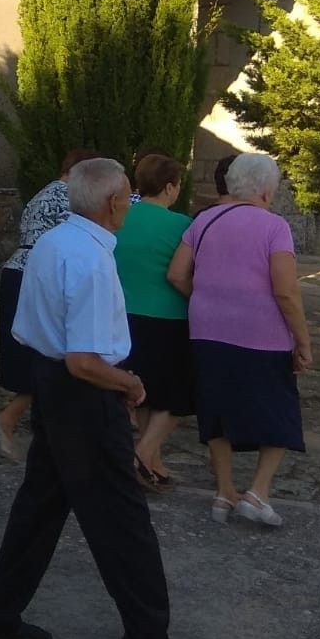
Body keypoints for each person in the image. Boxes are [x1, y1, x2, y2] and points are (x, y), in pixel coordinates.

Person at [0, 159, 210, 639]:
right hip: (82, 393)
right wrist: (129, 384)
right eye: (126, 198)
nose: (129, 205)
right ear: (113, 203)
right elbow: (84, 361)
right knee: (124, 524)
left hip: (53, 386)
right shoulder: (92, 262)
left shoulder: (55, 243)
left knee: (40, 506)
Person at [167, 153, 311, 528]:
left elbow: (177, 274)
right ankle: (258, 491)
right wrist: (303, 339)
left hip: (207, 329)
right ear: (266, 189)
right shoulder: (274, 226)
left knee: (216, 408)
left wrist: (205, 301)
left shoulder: (204, 221)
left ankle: (224, 490)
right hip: (262, 333)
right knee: (279, 410)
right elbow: (286, 290)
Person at [0, 148, 96, 461]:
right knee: (49, 355)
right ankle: (6, 421)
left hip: (21, 270)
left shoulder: (45, 192)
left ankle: (27, 424)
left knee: (42, 356)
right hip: (37, 275)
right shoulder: (66, 195)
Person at [115, 154, 194, 491]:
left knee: (145, 392)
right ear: (169, 187)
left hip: (122, 315)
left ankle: (152, 464)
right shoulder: (182, 226)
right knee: (179, 395)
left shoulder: (119, 218)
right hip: (167, 316)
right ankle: (142, 453)